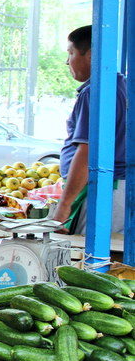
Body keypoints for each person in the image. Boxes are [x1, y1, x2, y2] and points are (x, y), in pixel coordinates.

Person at [54, 25, 127, 234]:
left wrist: (65, 204)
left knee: (92, 259)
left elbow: (86, 152)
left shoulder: (94, 92)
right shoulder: (120, 85)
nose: (68, 61)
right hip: (118, 190)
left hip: (102, 189)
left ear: (91, 54)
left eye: (71, 53)